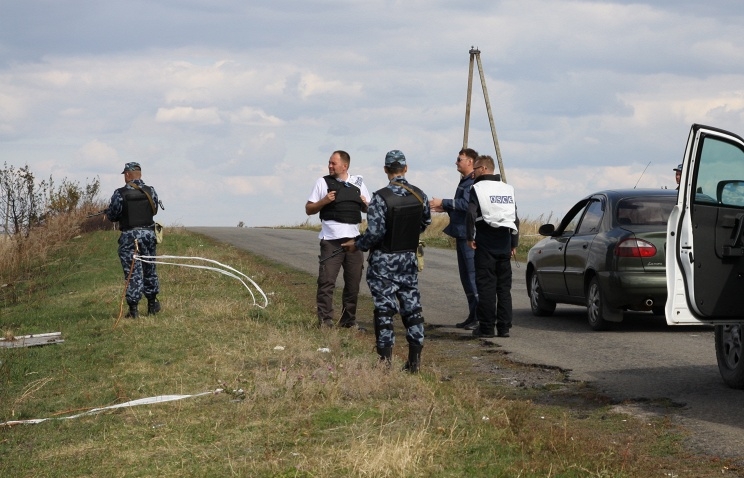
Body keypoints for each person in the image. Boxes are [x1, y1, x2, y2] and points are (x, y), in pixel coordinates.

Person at [342, 150, 432, 373]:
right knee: (412, 309)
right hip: (408, 260)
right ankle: (415, 362)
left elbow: (375, 233)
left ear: (385, 170)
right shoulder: (420, 195)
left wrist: (358, 244)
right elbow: (425, 221)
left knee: (384, 311)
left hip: (384, 262)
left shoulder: (380, 198)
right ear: (405, 168)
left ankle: (385, 361)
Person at [306, 150, 370, 329]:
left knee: (353, 283)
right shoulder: (322, 182)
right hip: (331, 240)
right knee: (326, 282)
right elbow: (309, 209)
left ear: (345, 166)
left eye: (333, 163)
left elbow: (367, 209)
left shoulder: (358, 183)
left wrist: (365, 204)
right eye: (329, 163)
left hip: (354, 241)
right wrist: (324, 201)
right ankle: (325, 321)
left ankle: (348, 321)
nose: (330, 166)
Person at [466, 155, 519, 338]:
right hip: (505, 241)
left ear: (484, 169)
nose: (473, 172)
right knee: (504, 287)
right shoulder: (507, 189)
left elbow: (471, 213)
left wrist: (469, 236)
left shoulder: (478, 189)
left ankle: (487, 328)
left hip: (486, 241)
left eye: (475, 168)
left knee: (487, 285)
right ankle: (504, 327)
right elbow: (515, 217)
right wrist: (514, 243)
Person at [429, 147, 479, 330]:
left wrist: (444, 202)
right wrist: (446, 208)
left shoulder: (473, 181)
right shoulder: (464, 181)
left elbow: (468, 205)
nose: (456, 162)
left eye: (459, 159)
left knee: (472, 277)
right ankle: (472, 315)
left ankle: (478, 317)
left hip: (468, 235)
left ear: (470, 162)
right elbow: (461, 206)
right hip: (461, 233)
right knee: (466, 277)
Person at [105, 162, 161, 318]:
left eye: (125, 174)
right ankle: (152, 305)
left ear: (128, 175)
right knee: (150, 270)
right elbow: (154, 210)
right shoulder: (151, 191)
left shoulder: (120, 193)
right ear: (140, 174)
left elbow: (113, 215)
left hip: (130, 237)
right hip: (149, 235)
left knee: (132, 273)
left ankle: (134, 310)